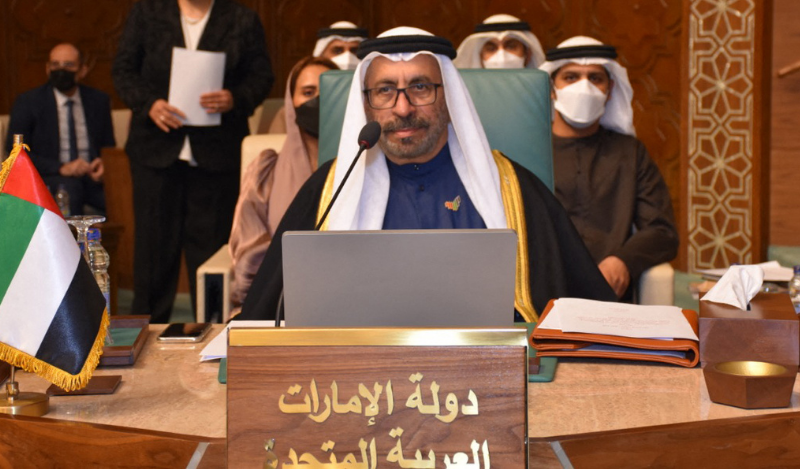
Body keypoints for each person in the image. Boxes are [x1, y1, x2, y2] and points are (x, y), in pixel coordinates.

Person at [240, 27, 616, 323]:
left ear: (449, 98)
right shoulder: (329, 191)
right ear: (367, 106)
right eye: (385, 90)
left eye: (420, 87)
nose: (402, 108)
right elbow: (268, 315)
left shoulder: (514, 190)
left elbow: (579, 309)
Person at [112, 0, 274, 323]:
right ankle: (145, 337)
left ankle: (212, 333)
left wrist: (234, 98)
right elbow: (123, 71)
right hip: (156, 153)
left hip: (217, 155)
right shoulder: (146, 12)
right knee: (152, 254)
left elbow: (262, 77)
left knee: (211, 251)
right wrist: (149, 104)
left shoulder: (241, 18)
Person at [539, 36, 679, 300]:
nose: (584, 87)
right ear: (552, 88)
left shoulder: (630, 153)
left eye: (595, 78)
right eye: (571, 77)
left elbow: (663, 231)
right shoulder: (529, 151)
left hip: (610, 296)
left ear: (610, 89)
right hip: (544, 293)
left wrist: (623, 260)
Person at [229, 56, 338, 307]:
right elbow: (247, 251)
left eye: (327, 92)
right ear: (291, 103)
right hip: (276, 304)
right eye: (308, 92)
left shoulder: (367, 168)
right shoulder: (266, 171)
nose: (317, 101)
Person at [6, 43, 114, 216]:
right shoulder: (27, 102)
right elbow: (15, 152)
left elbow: (109, 146)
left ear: (82, 70)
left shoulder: (98, 101)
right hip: (51, 177)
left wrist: (103, 165)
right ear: (47, 69)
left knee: (123, 195)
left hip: (92, 178)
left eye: (68, 65)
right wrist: (61, 167)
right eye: (55, 65)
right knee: (71, 190)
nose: (61, 70)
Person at [454, 14, 545, 70]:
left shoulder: (545, 94)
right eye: (491, 48)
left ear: (528, 55)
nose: (502, 56)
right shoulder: (469, 95)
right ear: (480, 56)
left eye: (511, 47)